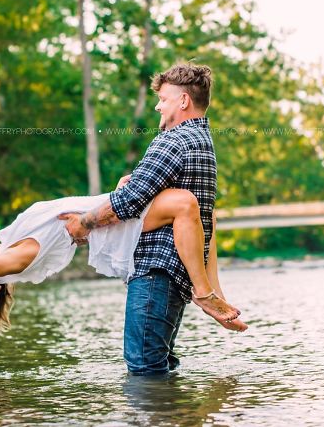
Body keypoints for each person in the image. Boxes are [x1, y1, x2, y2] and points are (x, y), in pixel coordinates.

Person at [60, 62, 233, 376]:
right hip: (174, 276)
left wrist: (83, 223)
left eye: (164, 99)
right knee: (159, 365)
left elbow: (128, 202)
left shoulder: (173, 141)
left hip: (156, 273)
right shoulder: (202, 142)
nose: (158, 105)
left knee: (143, 371)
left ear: (183, 101)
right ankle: (180, 415)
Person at [0, 181, 246, 359]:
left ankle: (212, 292)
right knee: (188, 205)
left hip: (114, 206)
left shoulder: (7, 243)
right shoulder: (16, 259)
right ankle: (207, 294)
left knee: (203, 212)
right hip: (118, 224)